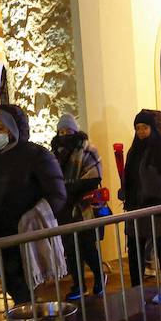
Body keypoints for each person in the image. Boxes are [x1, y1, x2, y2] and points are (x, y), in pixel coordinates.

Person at [0, 104, 66, 306]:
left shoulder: (36, 155)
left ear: (13, 129)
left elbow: (57, 194)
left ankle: (31, 320)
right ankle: (26, 317)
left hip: (23, 236)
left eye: (0, 129)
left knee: (24, 288)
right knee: (14, 286)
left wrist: (32, 217)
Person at [50, 113, 105, 300]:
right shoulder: (55, 153)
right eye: (61, 131)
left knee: (87, 246)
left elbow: (94, 176)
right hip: (64, 208)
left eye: (68, 131)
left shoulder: (88, 150)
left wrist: (70, 189)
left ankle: (99, 277)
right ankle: (78, 285)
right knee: (70, 248)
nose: (65, 134)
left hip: (84, 207)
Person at [120, 110, 161, 301]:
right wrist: (125, 190)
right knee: (135, 250)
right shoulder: (134, 150)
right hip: (136, 208)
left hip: (157, 207)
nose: (141, 132)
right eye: (138, 128)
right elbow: (130, 175)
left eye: (144, 127)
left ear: (152, 128)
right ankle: (136, 291)